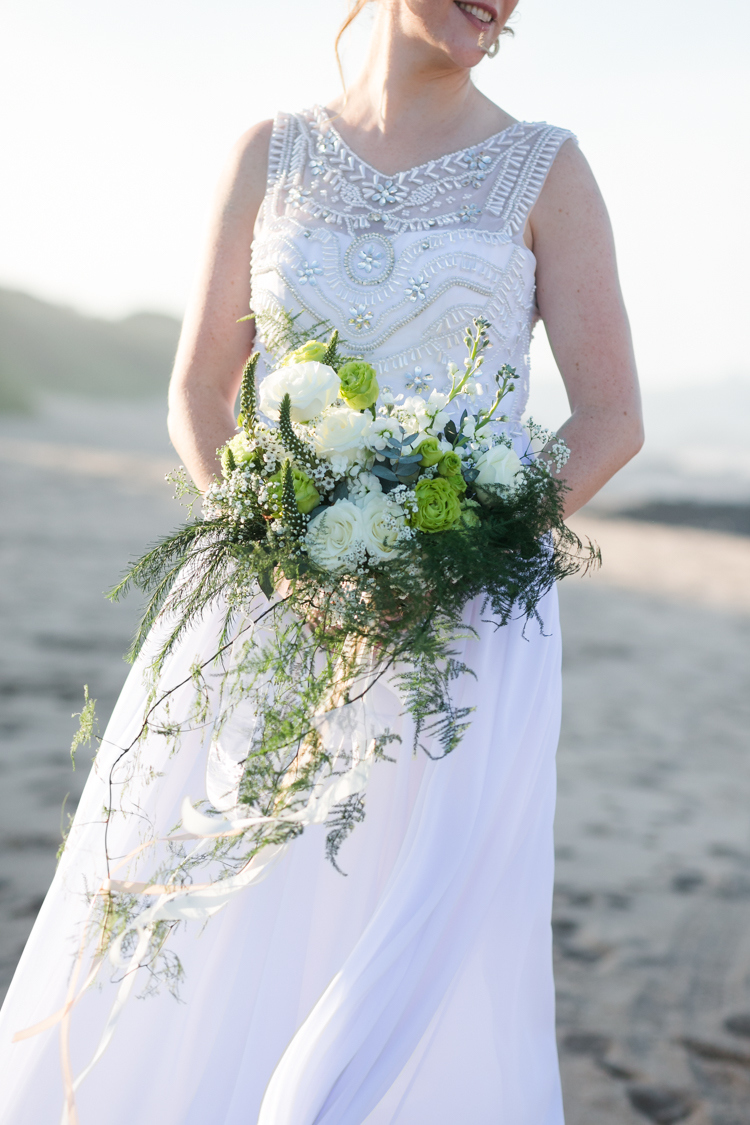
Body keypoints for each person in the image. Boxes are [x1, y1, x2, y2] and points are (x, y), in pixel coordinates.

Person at [0, 1, 643, 1122]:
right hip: (265, 604)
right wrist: (271, 538)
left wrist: (459, 542)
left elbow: (609, 419)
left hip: (460, 626)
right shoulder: (270, 153)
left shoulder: (549, 168)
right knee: (224, 910)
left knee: (411, 923)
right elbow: (201, 390)